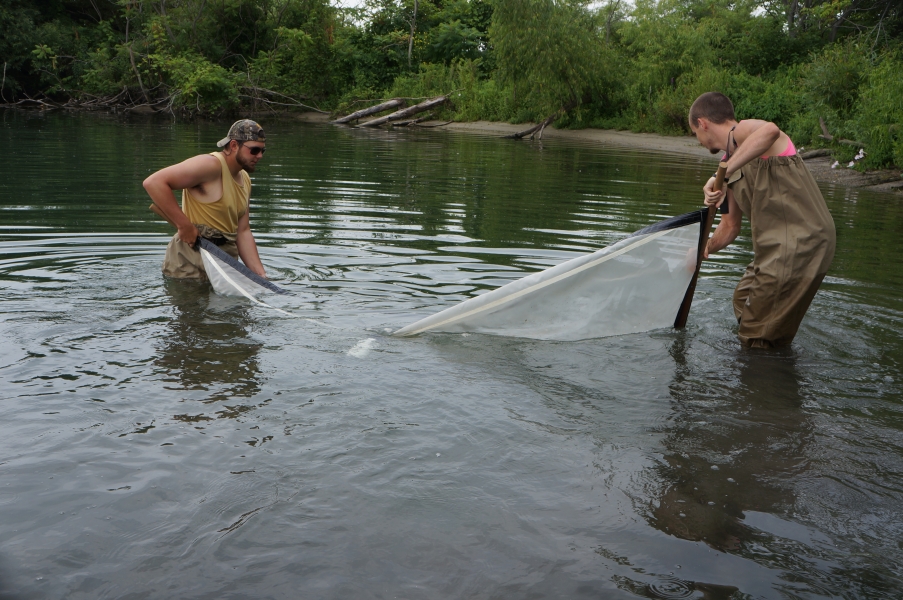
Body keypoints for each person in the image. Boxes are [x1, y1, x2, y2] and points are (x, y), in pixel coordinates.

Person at [689, 92, 835, 348]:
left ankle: (762, 368)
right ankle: (770, 353)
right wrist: (705, 247)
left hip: (800, 240)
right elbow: (730, 226)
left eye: (695, 133)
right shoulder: (730, 162)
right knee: (743, 298)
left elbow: (771, 131)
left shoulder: (742, 132)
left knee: (756, 334)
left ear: (702, 123)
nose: (698, 140)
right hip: (775, 248)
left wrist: (721, 174)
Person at [143, 119, 268, 280]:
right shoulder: (210, 165)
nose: (259, 156)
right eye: (254, 150)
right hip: (189, 261)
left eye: (262, 151)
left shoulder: (245, 179)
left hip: (224, 263)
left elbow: (243, 232)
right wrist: (184, 225)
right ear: (234, 145)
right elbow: (154, 183)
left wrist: (261, 277)